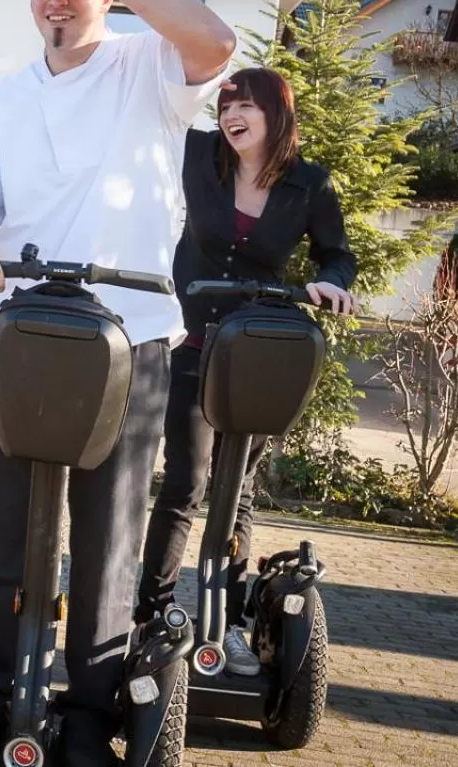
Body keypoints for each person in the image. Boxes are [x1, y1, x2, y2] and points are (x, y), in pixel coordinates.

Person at [0, 0, 238, 766]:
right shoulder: (2, 95)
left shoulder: (149, 65)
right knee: (1, 524)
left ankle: (88, 711)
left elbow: (217, 40)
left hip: (131, 334)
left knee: (109, 534)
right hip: (29, 332)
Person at [136, 67, 356, 674]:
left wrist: (331, 283)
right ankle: (149, 616)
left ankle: (226, 624)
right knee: (186, 481)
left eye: (245, 106)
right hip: (191, 341)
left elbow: (337, 253)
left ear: (276, 112)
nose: (231, 115)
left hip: (257, 350)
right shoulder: (197, 154)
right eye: (226, 105)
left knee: (238, 493)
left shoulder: (309, 184)